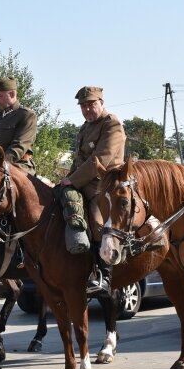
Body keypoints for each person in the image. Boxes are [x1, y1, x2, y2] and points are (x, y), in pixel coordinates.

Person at [58, 86, 125, 295]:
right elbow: (79, 160)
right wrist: (66, 180)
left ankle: (104, 275)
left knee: (97, 221)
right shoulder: (85, 127)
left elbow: (100, 159)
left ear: (101, 103)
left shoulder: (111, 124)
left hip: (104, 185)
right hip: (81, 181)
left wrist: (73, 180)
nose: (87, 109)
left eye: (91, 104)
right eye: (83, 106)